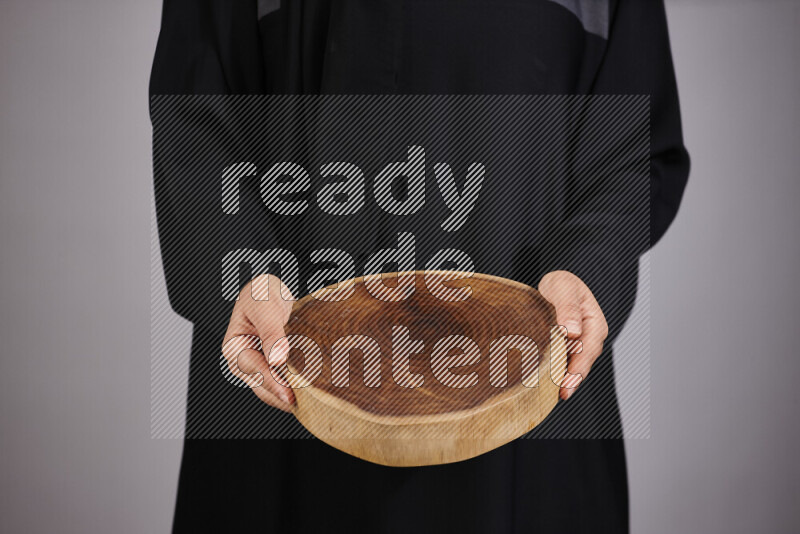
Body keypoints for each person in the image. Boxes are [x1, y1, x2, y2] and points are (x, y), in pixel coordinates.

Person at [150, 1, 689, 532]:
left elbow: (635, 146)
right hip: (282, 388)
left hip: (534, 395)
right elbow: (194, 115)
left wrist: (586, 266)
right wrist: (242, 273)